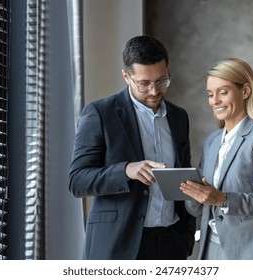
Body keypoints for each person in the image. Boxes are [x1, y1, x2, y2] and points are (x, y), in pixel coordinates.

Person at [68, 35, 196, 260]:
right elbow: (77, 181)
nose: (155, 91)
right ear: (127, 77)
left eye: (162, 81)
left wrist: (185, 236)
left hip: (172, 242)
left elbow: (182, 171)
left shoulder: (179, 117)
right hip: (119, 245)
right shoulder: (100, 113)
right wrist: (126, 170)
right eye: (144, 83)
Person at [180, 58, 253, 260]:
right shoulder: (212, 140)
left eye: (223, 92)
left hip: (251, 251)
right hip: (210, 250)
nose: (215, 101)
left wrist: (221, 199)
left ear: (245, 91)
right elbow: (197, 208)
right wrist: (192, 192)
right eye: (210, 95)